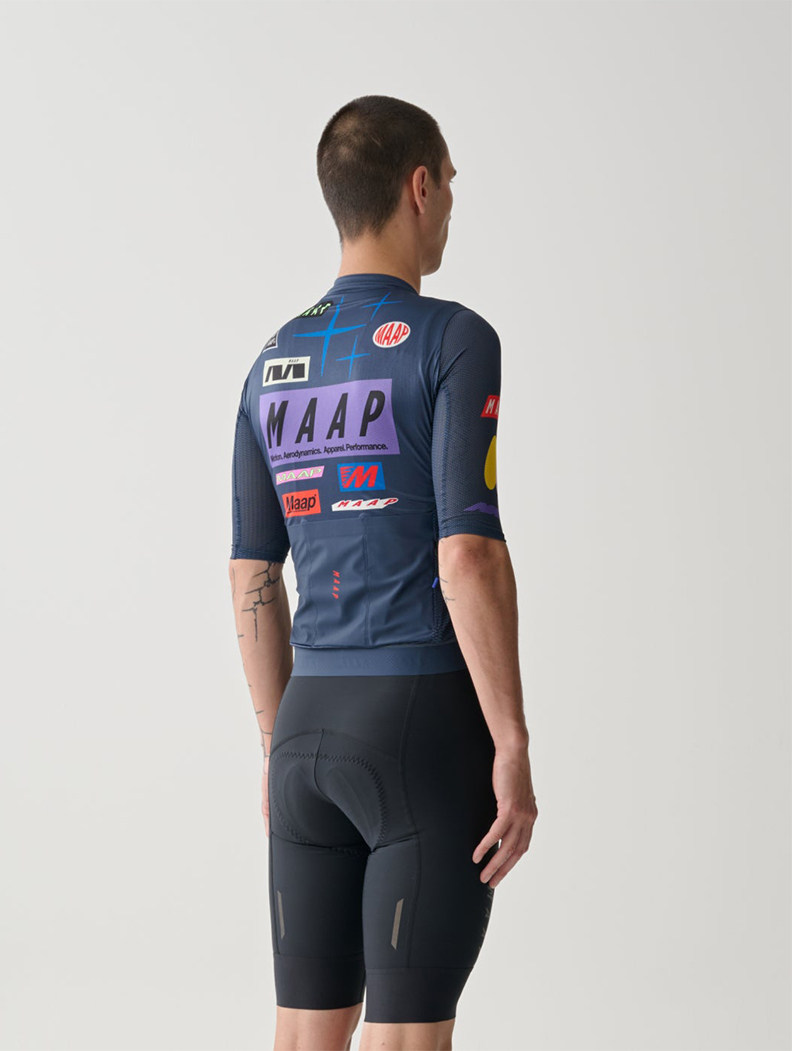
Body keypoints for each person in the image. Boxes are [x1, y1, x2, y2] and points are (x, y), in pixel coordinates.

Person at [229, 94, 537, 1051]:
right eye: (450, 184)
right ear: (419, 186)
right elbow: (468, 553)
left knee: (301, 1036)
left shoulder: (272, 362)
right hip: (420, 731)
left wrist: (278, 745)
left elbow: (250, 572)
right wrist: (512, 741)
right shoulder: (454, 338)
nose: (451, 205)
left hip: (306, 732)